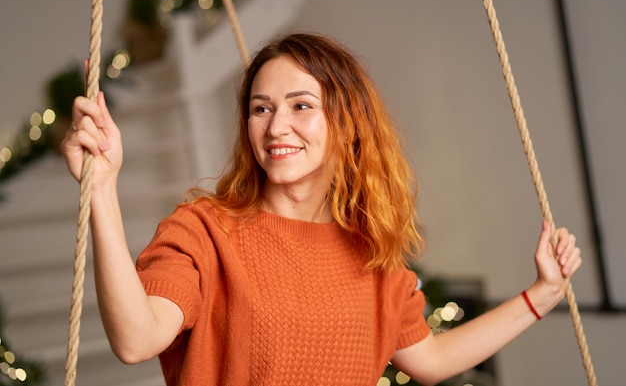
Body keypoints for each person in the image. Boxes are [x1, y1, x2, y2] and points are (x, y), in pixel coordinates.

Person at [62, 32, 582, 386]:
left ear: (347, 123)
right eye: (260, 108)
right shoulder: (204, 231)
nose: (276, 126)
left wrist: (541, 295)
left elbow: (431, 359)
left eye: (301, 105)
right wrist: (103, 190)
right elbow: (135, 339)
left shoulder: (371, 255)